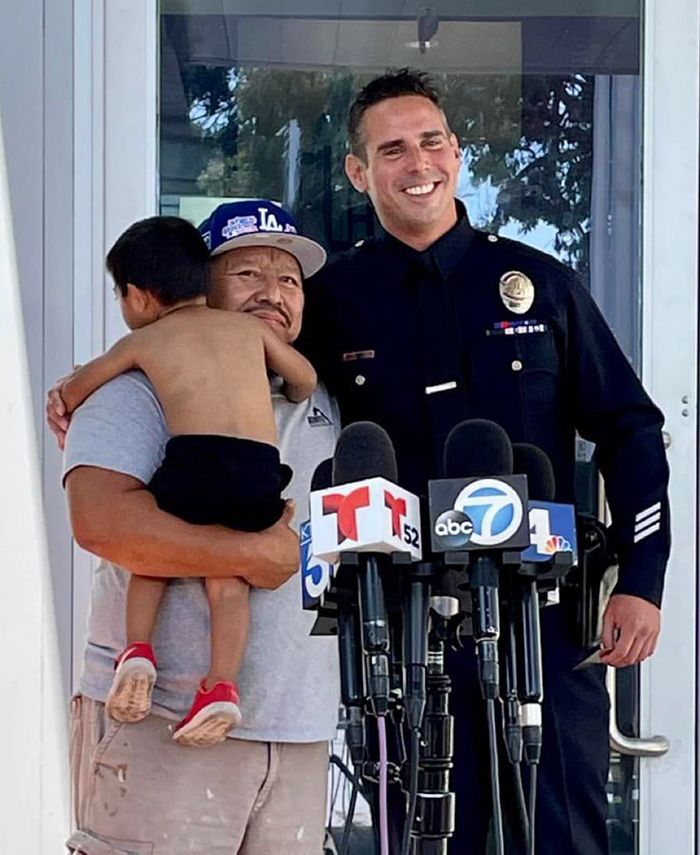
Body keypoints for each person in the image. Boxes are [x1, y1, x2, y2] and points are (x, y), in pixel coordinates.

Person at [300, 69, 670, 855]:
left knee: (561, 834)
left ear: (458, 153)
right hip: (398, 628)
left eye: (431, 140)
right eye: (391, 148)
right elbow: (247, 384)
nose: (417, 161)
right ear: (360, 172)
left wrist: (642, 581)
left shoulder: (540, 284)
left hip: (545, 621)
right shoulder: (332, 298)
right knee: (432, 837)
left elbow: (632, 429)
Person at [49, 200, 340, 855]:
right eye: (248, 275)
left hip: (297, 730)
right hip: (162, 730)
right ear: (198, 286)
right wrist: (251, 552)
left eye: (289, 279)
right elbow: (100, 521)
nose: (273, 292)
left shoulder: (329, 400)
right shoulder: (140, 384)